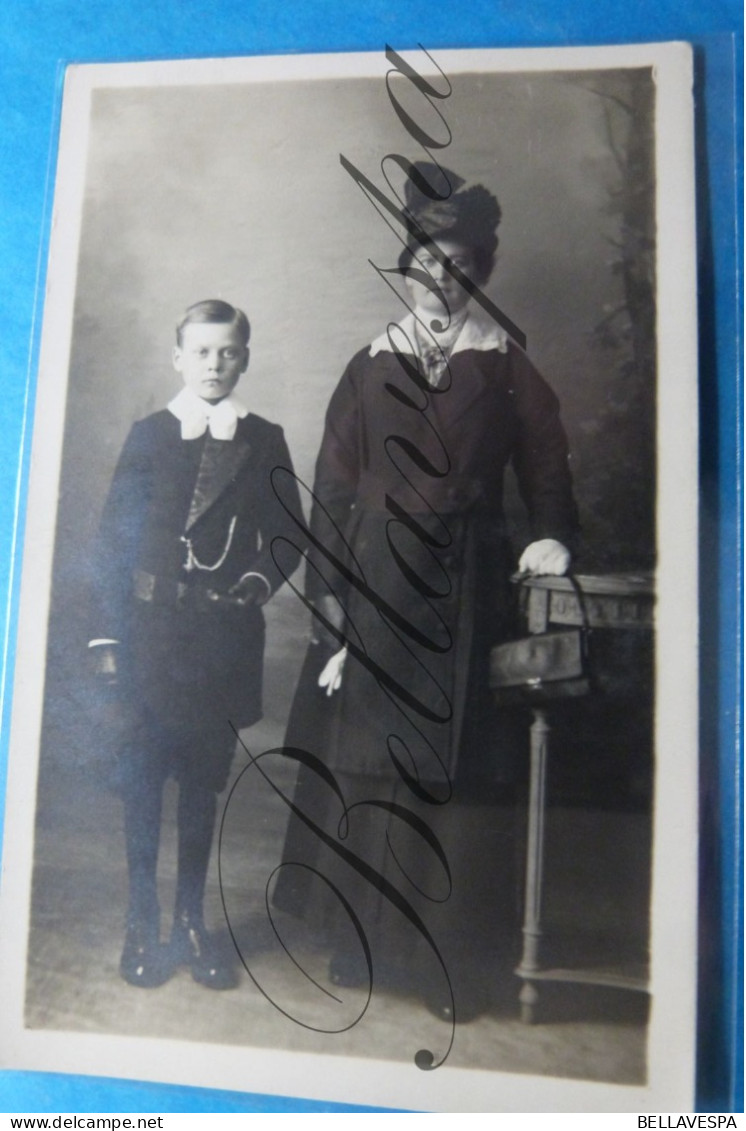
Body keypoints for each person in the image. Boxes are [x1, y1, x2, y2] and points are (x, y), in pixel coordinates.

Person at [273, 164, 579, 1023]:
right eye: (426, 265)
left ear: (479, 270)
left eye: (458, 266)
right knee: (367, 762)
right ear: (406, 269)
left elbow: (548, 462)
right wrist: (331, 600)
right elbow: (332, 488)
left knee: (449, 771)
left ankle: (438, 957)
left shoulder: (506, 365)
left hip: (465, 585)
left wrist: (552, 530)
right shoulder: (370, 365)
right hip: (374, 585)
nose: (440, 281)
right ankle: (357, 938)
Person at [90, 299, 303, 990]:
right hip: (149, 638)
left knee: (201, 788)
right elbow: (113, 540)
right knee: (143, 783)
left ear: (245, 357)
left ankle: (190, 919)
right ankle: (140, 921)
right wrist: (107, 634)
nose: (215, 364)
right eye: (202, 351)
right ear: (178, 357)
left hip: (218, 641)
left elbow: (287, 534)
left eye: (229, 352)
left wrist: (251, 580)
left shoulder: (264, 438)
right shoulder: (150, 434)